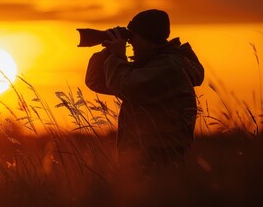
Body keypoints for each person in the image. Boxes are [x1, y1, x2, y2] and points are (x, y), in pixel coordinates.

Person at [85, 9, 204, 167]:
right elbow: (96, 81)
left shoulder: (168, 67)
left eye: (133, 36)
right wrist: (109, 51)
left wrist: (117, 56)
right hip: (145, 158)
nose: (130, 42)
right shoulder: (150, 66)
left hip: (159, 160)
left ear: (148, 38)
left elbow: (125, 87)